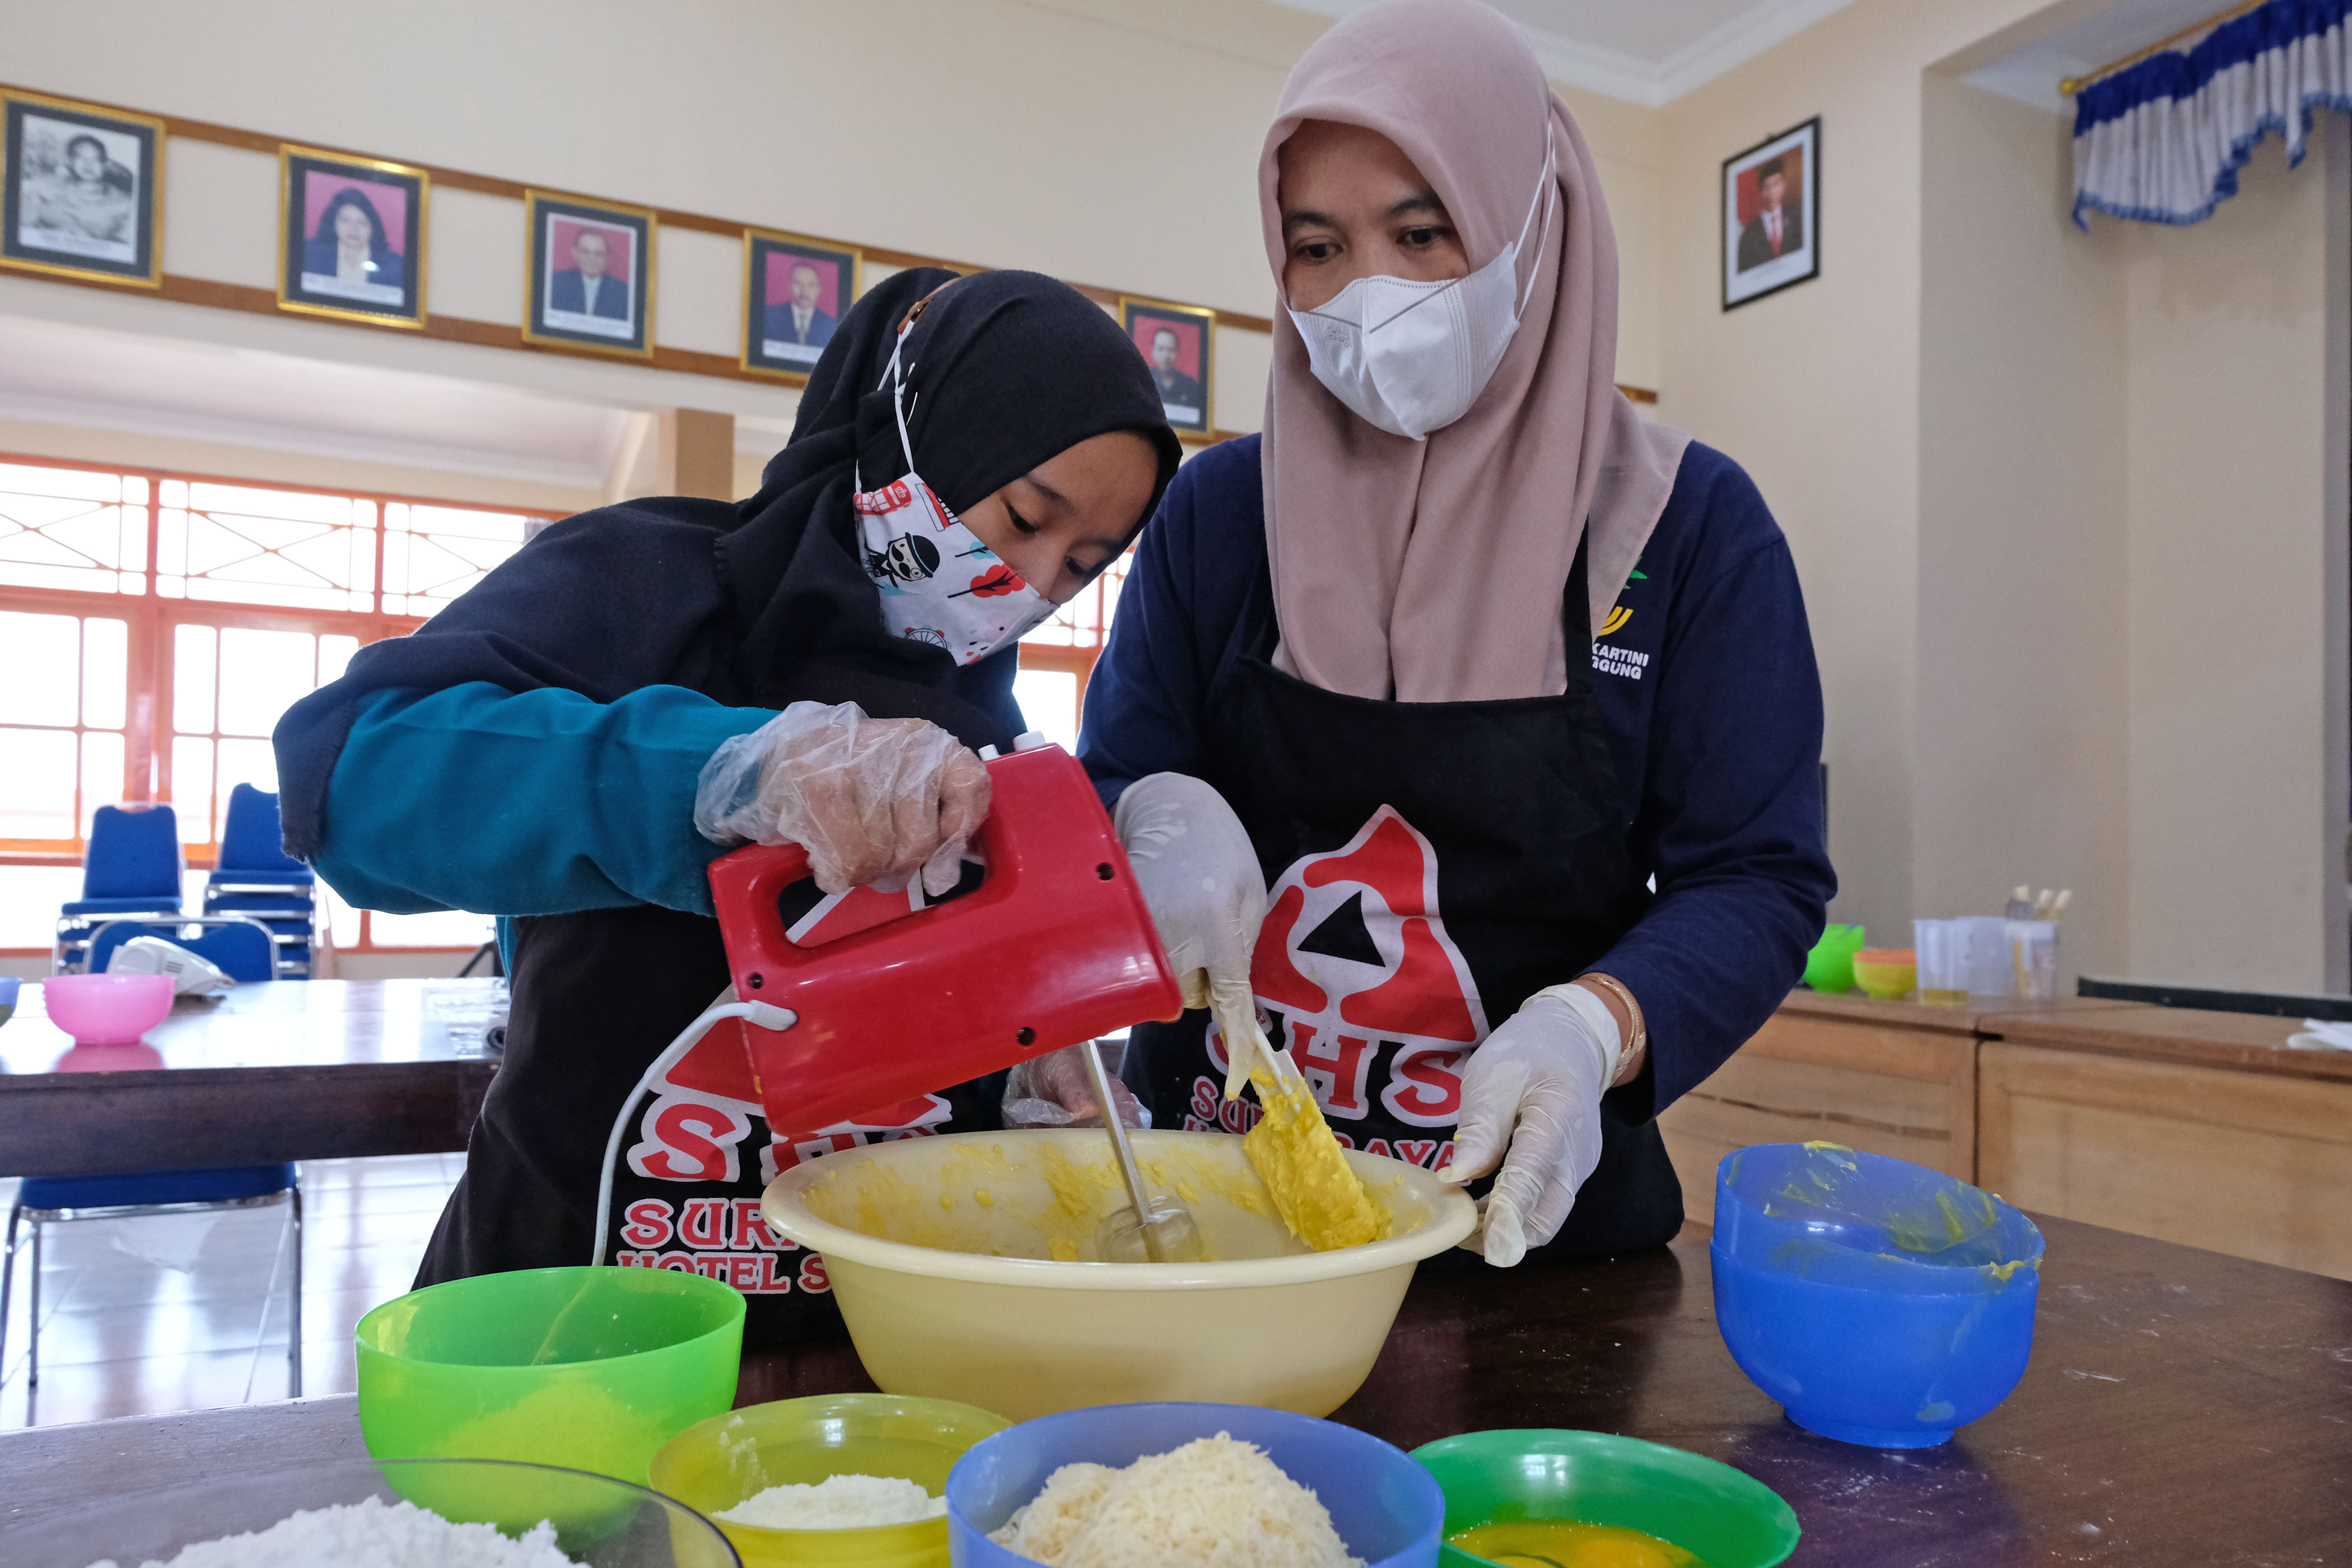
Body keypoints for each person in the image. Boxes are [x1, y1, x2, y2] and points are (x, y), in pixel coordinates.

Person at [273, 269, 1182, 1346]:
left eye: (1080, 566)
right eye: (1026, 515)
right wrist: (727, 773)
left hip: (880, 1331)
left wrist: (1037, 1053)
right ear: (909, 428)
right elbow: (356, 782)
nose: (1028, 581)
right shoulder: (642, 584)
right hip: (580, 1293)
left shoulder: (980, 727)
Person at [1081, 0, 1834, 1270]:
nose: (1365, 290)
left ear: (1531, 225)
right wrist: (1147, 811)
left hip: (1533, 1236)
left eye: (1420, 233)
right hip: (1215, 1216)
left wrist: (1595, 1026)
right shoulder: (1222, 516)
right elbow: (1108, 777)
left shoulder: (1688, 529)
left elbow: (1757, 875)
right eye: (1318, 247)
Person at [21, 131, 136, 254]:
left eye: (96, 159)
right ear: (69, 161)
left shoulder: (125, 203)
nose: (88, 164)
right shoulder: (43, 185)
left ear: (106, 165)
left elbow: (126, 251)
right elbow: (22, 229)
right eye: (80, 157)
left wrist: (91, 241)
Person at [300, 185, 404, 295]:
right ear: (333, 224)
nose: (354, 229)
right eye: (345, 220)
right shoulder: (308, 253)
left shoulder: (396, 266)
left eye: (362, 222)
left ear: (373, 228)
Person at [1736, 156, 1802, 272]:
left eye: (1776, 184)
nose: (1772, 192)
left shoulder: (1797, 217)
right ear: (1761, 192)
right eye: (1767, 187)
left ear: (1783, 185)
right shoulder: (1750, 233)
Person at [550, 227, 628, 320]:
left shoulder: (622, 291)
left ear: (607, 257)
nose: (592, 259)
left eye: (598, 254)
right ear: (575, 253)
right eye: (586, 252)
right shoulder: (557, 282)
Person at [764, 260, 837, 353]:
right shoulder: (770, 316)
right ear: (789, 286)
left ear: (819, 290)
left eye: (811, 285)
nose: (804, 291)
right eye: (798, 284)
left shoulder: (831, 325)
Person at [1147, 326, 1205, 417]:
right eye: (1161, 349)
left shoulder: (1190, 385)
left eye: (1170, 350)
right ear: (1153, 351)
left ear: (1178, 352)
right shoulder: (1143, 380)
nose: (1166, 356)